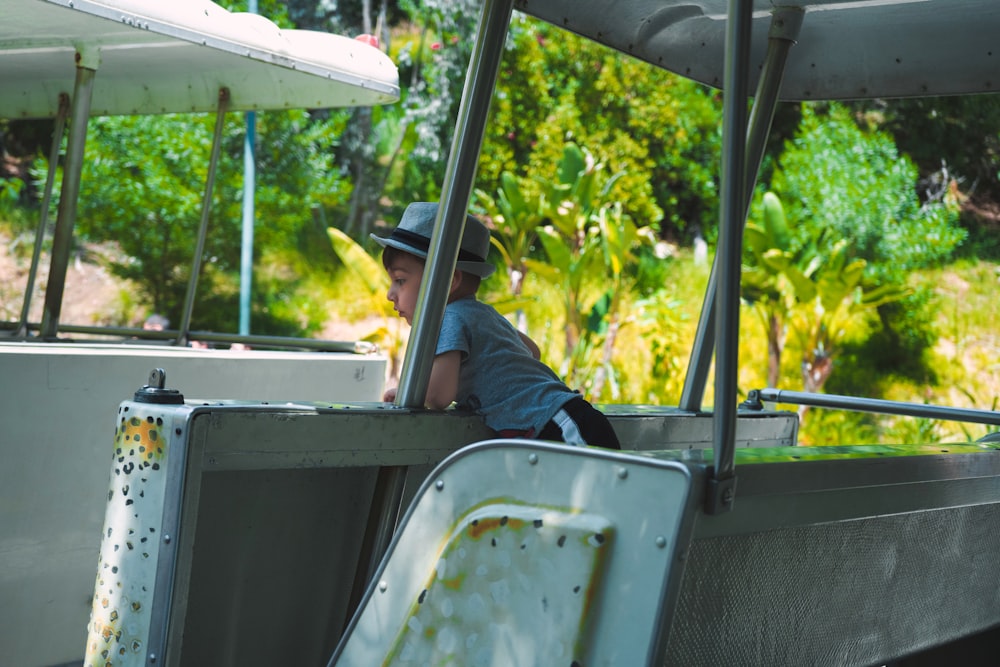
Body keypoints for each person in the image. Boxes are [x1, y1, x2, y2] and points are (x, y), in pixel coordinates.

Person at [372, 202, 621, 450]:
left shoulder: (449, 318)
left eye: (400, 280)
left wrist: (407, 392)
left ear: (449, 281)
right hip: (566, 416)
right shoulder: (481, 314)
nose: (390, 294)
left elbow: (437, 395)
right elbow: (532, 350)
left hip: (559, 426)